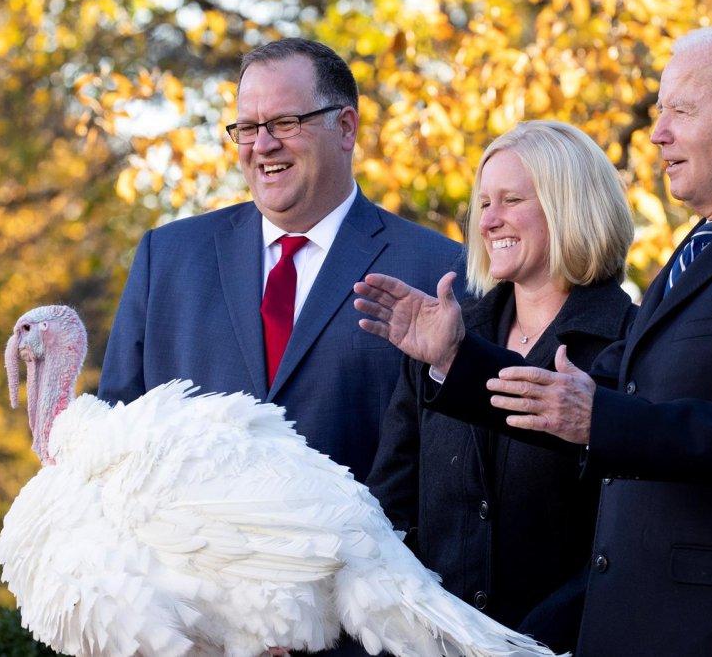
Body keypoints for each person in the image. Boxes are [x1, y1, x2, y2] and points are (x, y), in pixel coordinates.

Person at [355, 24, 712, 655]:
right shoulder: (699, 252)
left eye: (680, 111)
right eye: (660, 113)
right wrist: (455, 360)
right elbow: (579, 402)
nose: (658, 133)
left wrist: (600, 419)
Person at [98, 38, 461, 495]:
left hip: (361, 560)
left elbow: (455, 465)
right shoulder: (167, 258)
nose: (263, 145)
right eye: (247, 128)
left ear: (346, 127)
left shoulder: (438, 270)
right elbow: (113, 440)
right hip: (188, 561)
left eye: (285, 123)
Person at [365, 121, 636, 653]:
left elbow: (627, 534)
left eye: (511, 199)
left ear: (569, 206)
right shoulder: (444, 333)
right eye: (483, 203)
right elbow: (389, 505)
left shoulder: (631, 343)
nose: (489, 221)